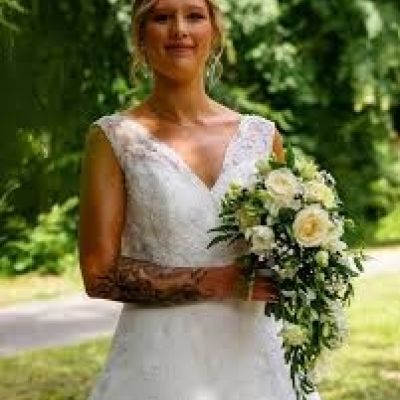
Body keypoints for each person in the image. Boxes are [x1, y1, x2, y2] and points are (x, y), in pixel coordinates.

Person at [78, 0, 321, 399]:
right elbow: (98, 274)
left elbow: (285, 251)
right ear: (141, 37)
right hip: (159, 362)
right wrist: (218, 281)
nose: (180, 30)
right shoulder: (113, 138)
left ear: (214, 32)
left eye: (193, 15)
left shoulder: (261, 137)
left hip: (255, 358)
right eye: (162, 17)